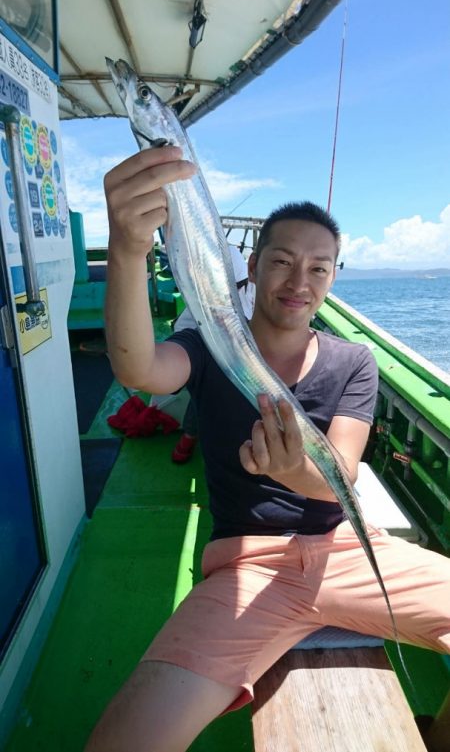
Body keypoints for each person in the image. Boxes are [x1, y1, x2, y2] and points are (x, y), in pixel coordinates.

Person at [85, 145, 450, 752]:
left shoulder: (354, 362)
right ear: (252, 267)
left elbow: (340, 476)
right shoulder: (209, 344)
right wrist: (127, 249)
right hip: (247, 565)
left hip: (345, 550)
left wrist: (295, 470)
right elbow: (140, 369)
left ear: (332, 278)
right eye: (281, 262)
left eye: (318, 268)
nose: (298, 282)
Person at [171, 243, 254, 463]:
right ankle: (190, 435)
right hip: (209, 351)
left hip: (243, 350)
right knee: (205, 390)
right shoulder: (198, 309)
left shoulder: (252, 291)